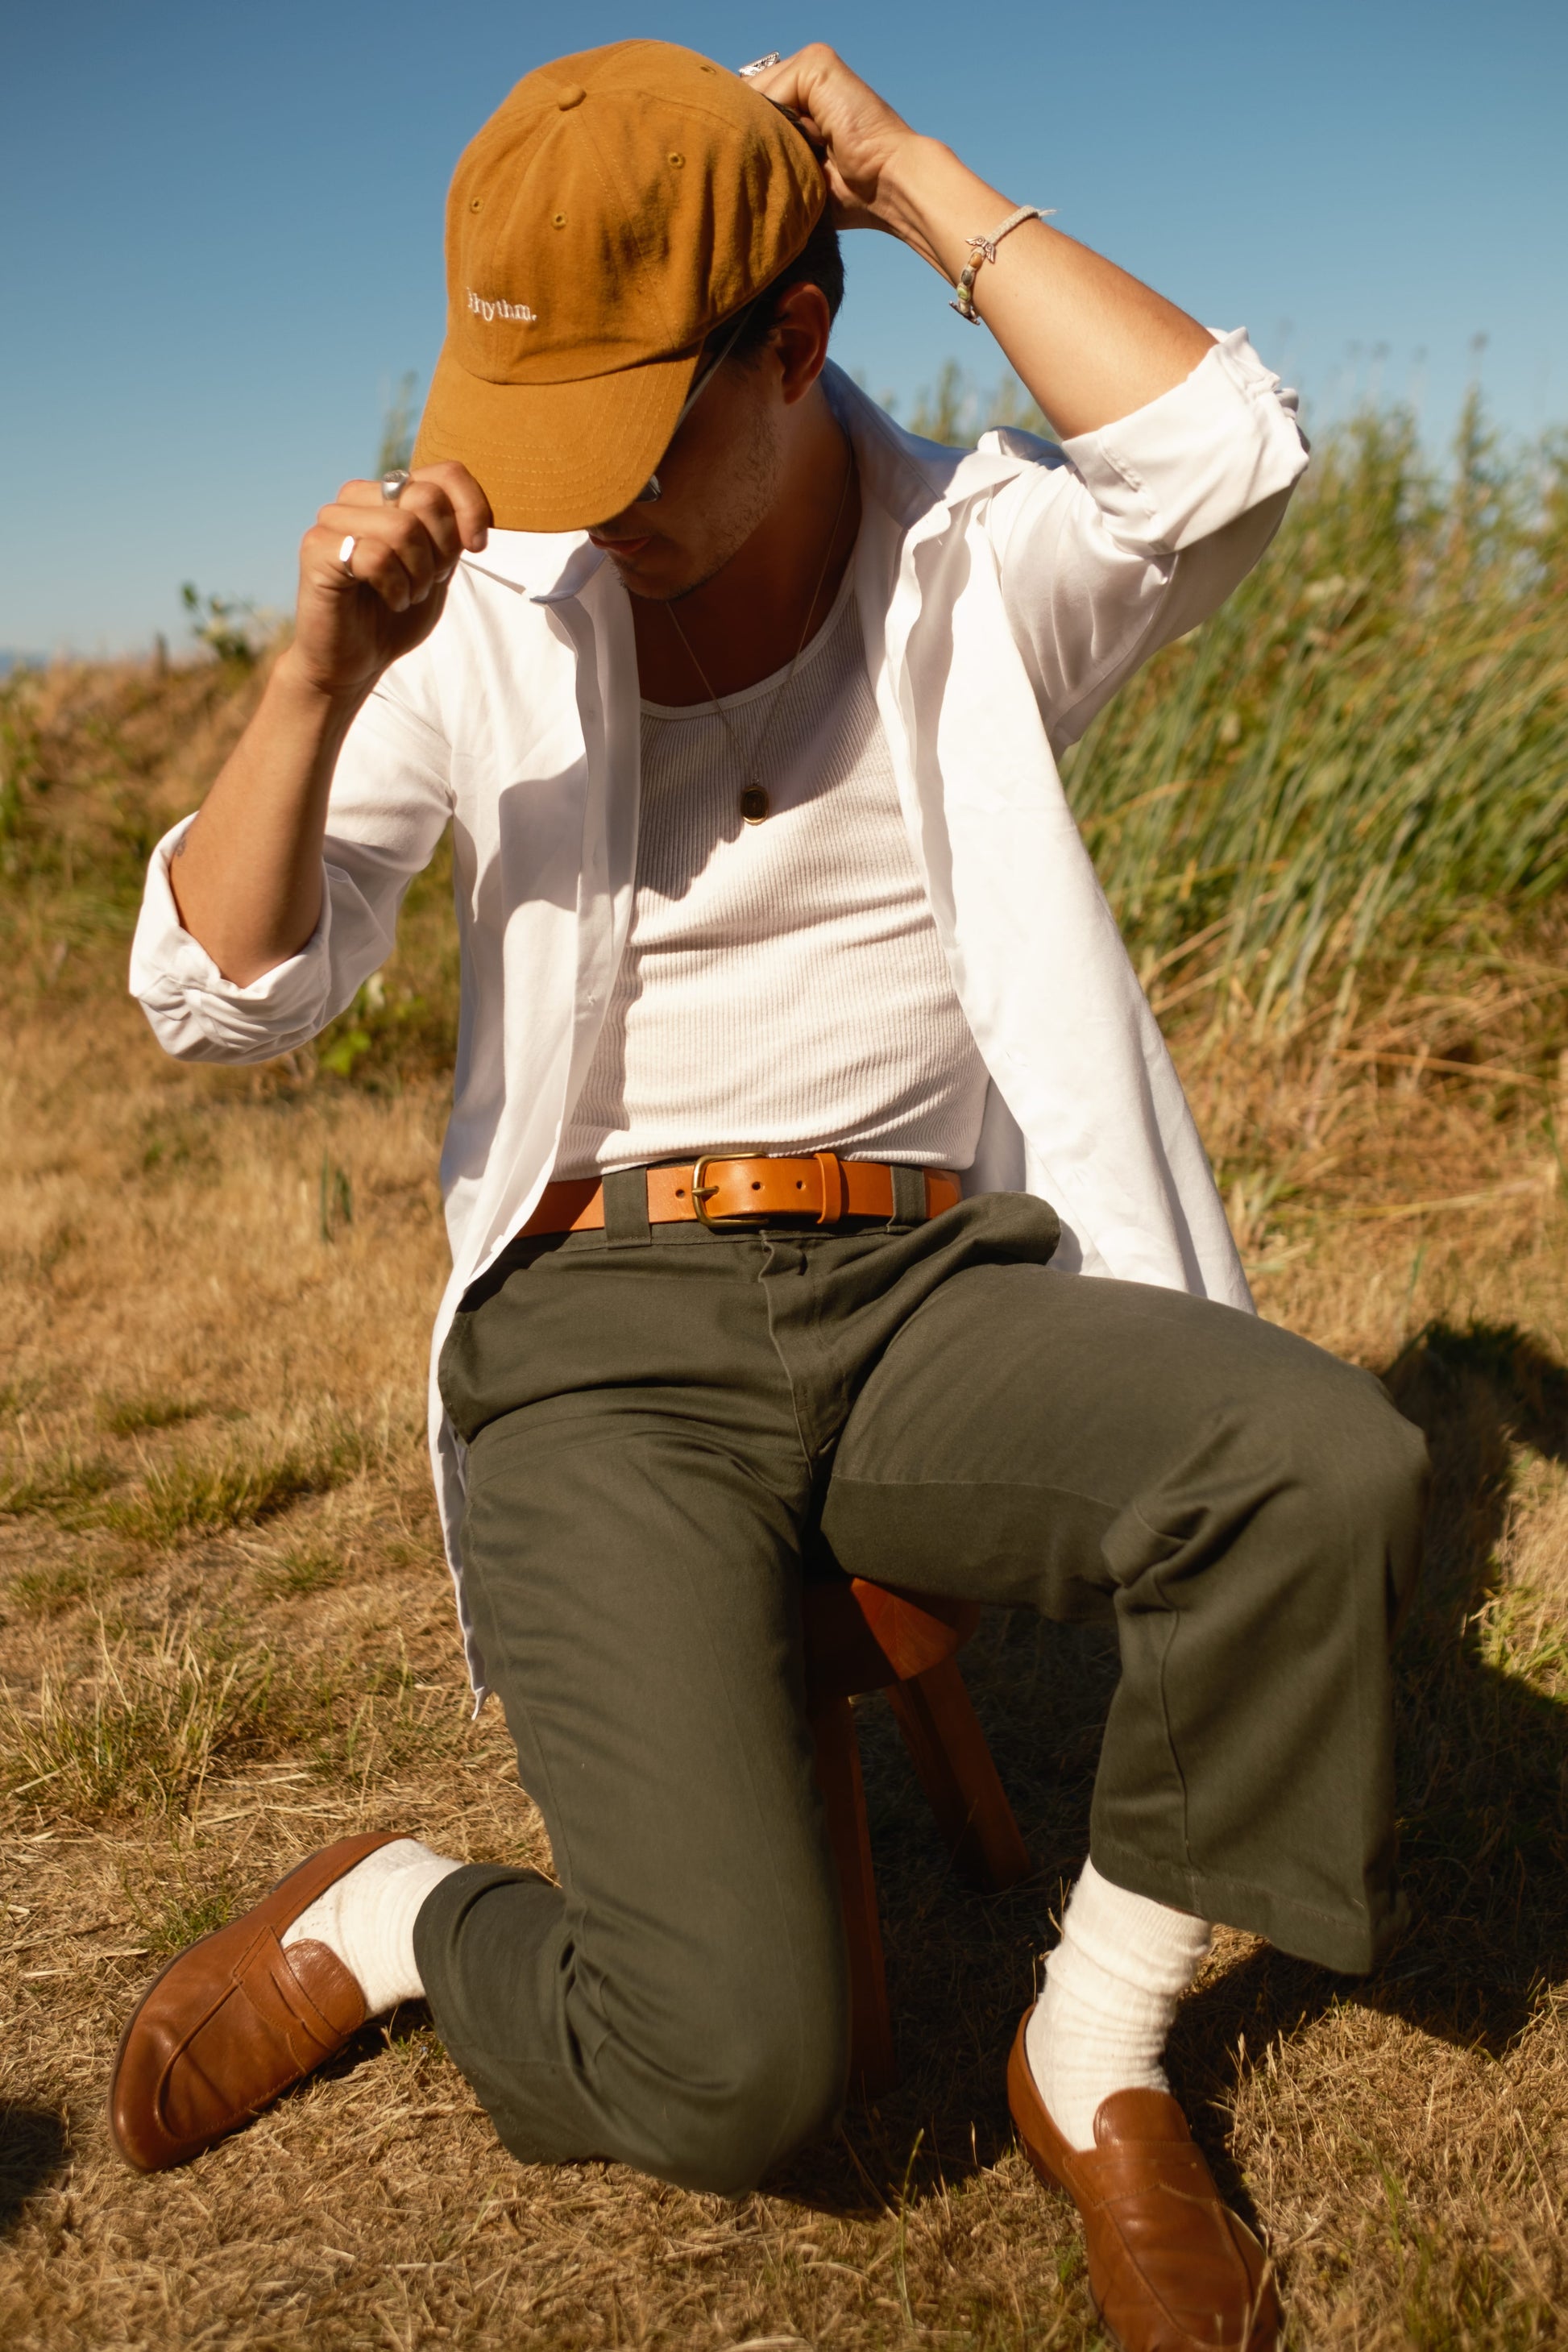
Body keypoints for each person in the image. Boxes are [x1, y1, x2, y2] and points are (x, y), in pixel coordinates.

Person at [111, 40, 1427, 2352]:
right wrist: (318, 685)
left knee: (1319, 1462)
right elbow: (221, 1003)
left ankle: (1091, 2047)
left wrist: (906, 174)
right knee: (738, 2075)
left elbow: (1220, 452)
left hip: (934, 1284)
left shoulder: (971, 558)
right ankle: (405, 1916)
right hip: (598, 1331)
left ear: (796, 346)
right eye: (533, 439)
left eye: (625, 437)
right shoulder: (484, 613)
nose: (568, 508)